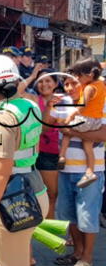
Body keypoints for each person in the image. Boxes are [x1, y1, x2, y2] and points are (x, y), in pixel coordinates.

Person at [0, 54, 49, 266]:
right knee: (23, 258)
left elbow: (1, 171)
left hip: (10, 200)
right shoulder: (29, 106)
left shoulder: (1, 119)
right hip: (33, 191)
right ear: (16, 81)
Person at [54, 76, 105, 266]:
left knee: (87, 216)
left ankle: (87, 258)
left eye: (75, 83)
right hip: (66, 169)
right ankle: (77, 253)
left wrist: (72, 131)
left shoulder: (101, 101)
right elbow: (54, 125)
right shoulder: (63, 103)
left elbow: (104, 134)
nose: (70, 88)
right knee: (69, 216)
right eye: (66, 84)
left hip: (91, 172)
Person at [58, 59, 105, 188]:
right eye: (66, 84)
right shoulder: (100, 86)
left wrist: (68, 122)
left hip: (86, 119)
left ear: (88, 76)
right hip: (95, 120)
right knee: (88, 146)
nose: (70, 87)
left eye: (76, 80)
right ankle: (89, 172)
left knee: (67, 130)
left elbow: (81, 107)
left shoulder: (89, 89)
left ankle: (62, 156)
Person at [23, 68, 61, 219]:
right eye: (41, 81)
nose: (44, 84)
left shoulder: (63, 100)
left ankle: (51, 226)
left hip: (61, 151)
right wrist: (33, 75)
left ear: (56, 83)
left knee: (55, 194)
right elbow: (17, 92)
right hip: (40, 152)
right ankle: (45, 227)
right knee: (47, 194)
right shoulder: (32, 99)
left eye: (48, 81)